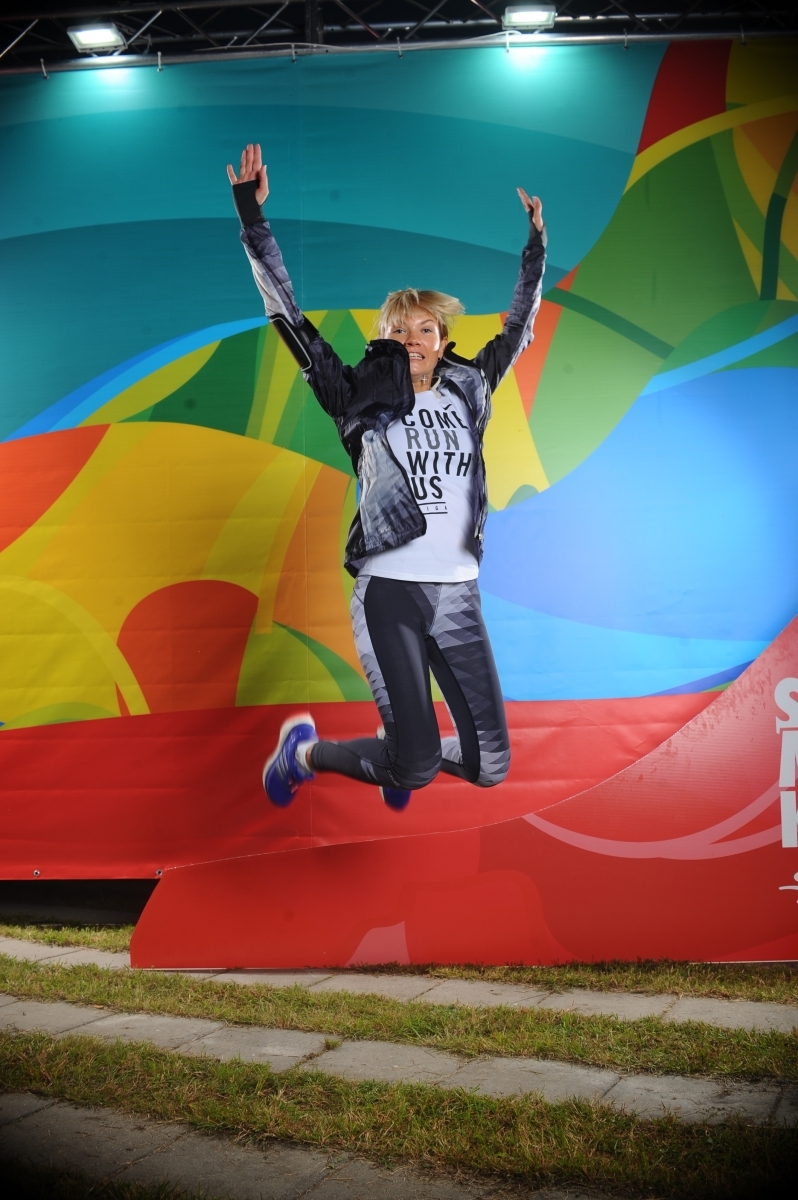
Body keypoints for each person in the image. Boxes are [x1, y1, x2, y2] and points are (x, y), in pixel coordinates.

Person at [227, 143, 546, 812]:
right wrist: (253, 221)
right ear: (383, 339)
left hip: (458, 594)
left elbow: (520, 325)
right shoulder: (355, 398)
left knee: (489, 767)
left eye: (425, 329)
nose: (413, 339)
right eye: (399, 330)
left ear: (443, 338)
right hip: (390, 592)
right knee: (417, 768)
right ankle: (306, 753)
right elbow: (288, 317)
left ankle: (396, 752)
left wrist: (535, 249)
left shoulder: (471, 389)